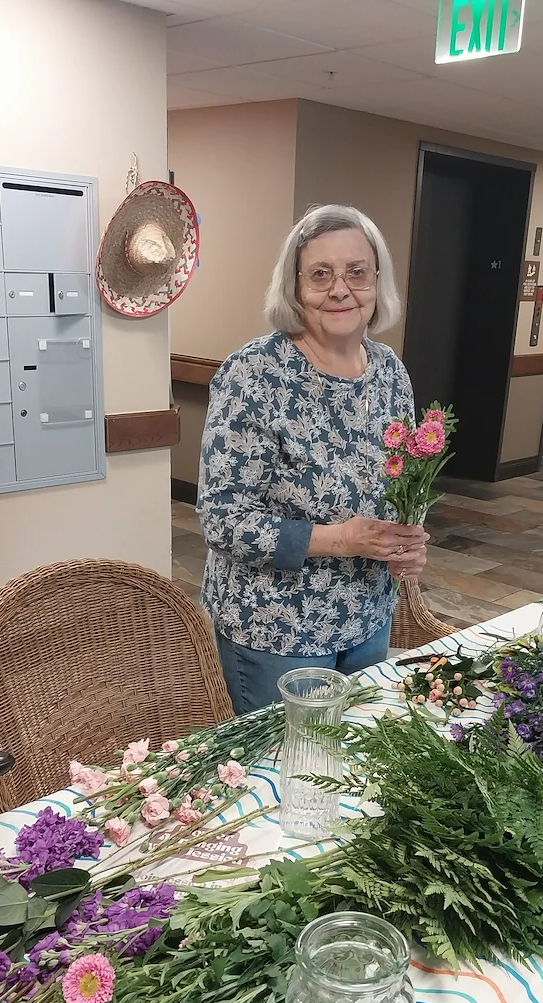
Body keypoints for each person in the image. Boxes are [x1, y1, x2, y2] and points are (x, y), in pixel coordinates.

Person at [196, 204, 428, 715]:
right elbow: (223, 521)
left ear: (376, 284)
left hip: (368, 612)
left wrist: (406, 539)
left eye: (356, 273)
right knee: (288, 772)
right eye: (320, 274)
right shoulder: (254, 375)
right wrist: (343, 539)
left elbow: (401, 480)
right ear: (294, 288)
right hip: (277, 627)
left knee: (354, 763)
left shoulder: (390, 372)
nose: (340, 289)